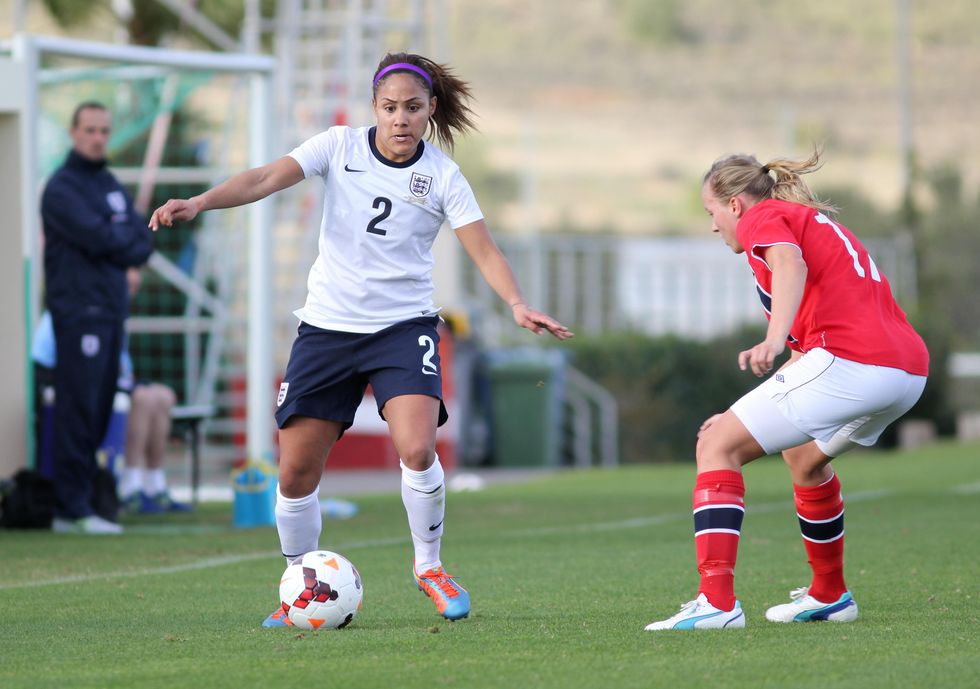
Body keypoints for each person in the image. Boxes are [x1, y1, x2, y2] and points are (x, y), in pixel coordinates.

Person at [150, 52, 573, 624]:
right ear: (374, 107)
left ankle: (430, 567)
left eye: (413, 108)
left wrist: (517, 303)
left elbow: (484, 250)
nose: (401, 118)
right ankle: (299, 586)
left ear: (430, 110)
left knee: (418, 448)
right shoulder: (338, 146)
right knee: (295, 473)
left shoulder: (443, 176)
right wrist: (200, 201)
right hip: (327, 329)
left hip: (403, 327)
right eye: (390, 107)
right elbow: (264, 178)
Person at [645, 151, 928, 631]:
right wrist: (773, 367)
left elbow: (788, 264)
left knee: (715, 445)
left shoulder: (764, 217)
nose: (713, 225)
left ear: (735, 205)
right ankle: (830, 595)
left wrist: (773, 340)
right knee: (803, 458)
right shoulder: (806, 220)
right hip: (906, 372)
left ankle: (716, 603)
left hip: (854, 363)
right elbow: (808, 349)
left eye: (711, 211)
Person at [41, 101, 154, 535]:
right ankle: (70, 509)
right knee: (79, 407)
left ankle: (85, 501)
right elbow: (103, 238)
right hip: (79, 313)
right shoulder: (61, 188)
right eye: (90, 130)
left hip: (111, 312)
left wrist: (118, 238)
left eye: (104, 130)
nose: (98, 138)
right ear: (74, 133)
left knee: (101, 406)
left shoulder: (109, 184)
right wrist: (118, 237)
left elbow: (141, 241)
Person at [116, 268, 191, 514]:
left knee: (164, 396)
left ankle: (154, 483)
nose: (131, 294)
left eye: (134, 288)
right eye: (128, 287)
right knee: (144, 398)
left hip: (121, 383)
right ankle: (129, 484)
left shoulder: (120, 314)